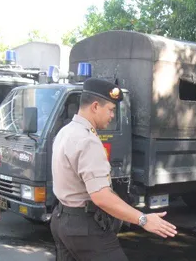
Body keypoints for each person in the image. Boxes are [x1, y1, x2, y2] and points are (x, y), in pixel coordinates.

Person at [50, 78, 177, 261]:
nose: (112, 116)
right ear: (95, 106)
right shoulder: (87, 141)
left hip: (61, 219)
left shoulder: (66, 131)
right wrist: (143, 219)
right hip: (83, 227)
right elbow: (101, 197)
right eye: (110, 109)